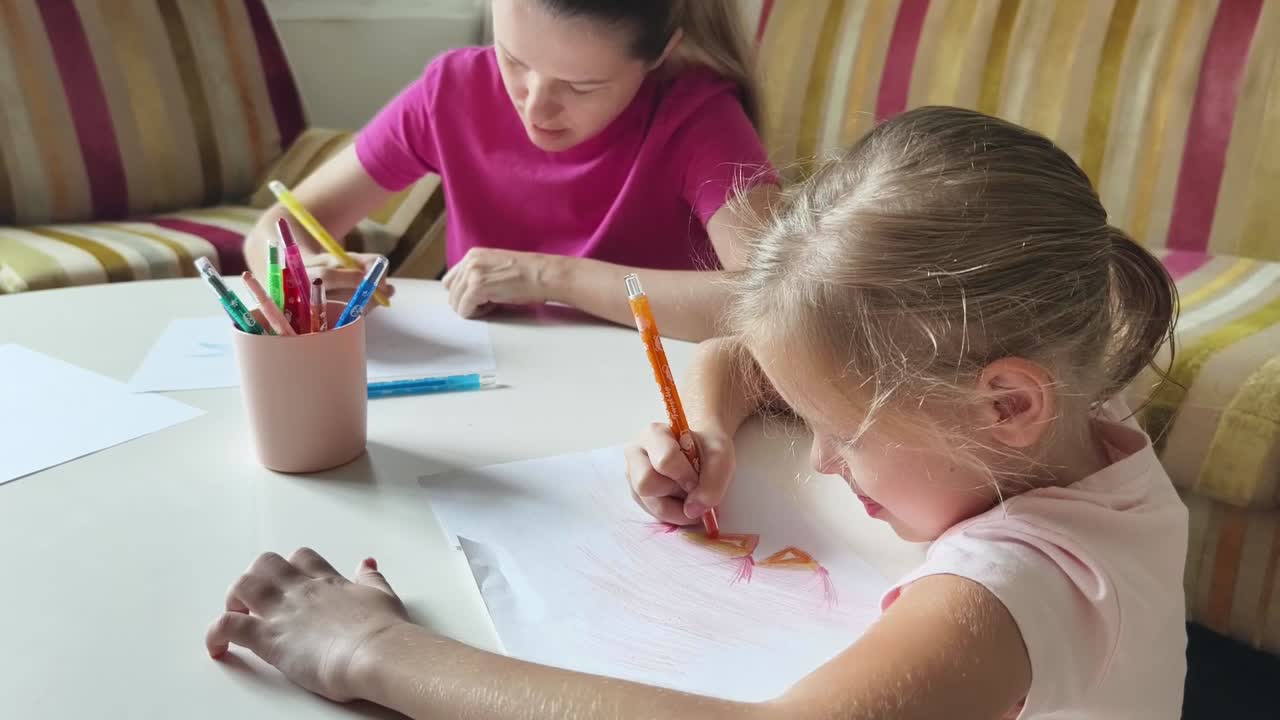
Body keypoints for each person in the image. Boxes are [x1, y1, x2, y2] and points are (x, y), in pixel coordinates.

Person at [209, 106, 1188, 719]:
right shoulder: (1079, 415)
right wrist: (714, 421)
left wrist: (371, 651)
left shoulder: (1026, 584)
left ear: (1006, 405)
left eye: (843, 433)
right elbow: (762, 354)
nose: (821, 464)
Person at [243, 0, 775, 340]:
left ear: (661, 54)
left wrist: (551, 277)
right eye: (514, 60)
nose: (535, 108)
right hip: (485, 390)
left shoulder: (699, 119)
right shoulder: (451, 90)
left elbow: (780, 302)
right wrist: (302, 274)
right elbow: (279, 226)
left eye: (580, 86)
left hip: (642, 402)